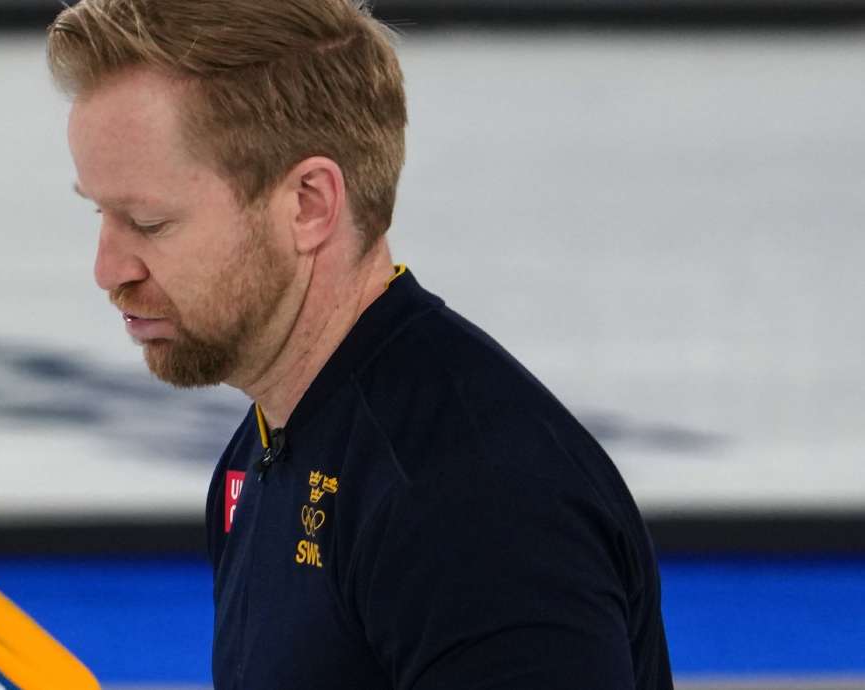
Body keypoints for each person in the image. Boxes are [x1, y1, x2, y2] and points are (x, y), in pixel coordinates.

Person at [47, 1, 673, 688]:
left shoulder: (473, 500)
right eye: (100, 213)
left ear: (310, 204)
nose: (109, 270)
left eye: (149, 222)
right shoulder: (260, 450)